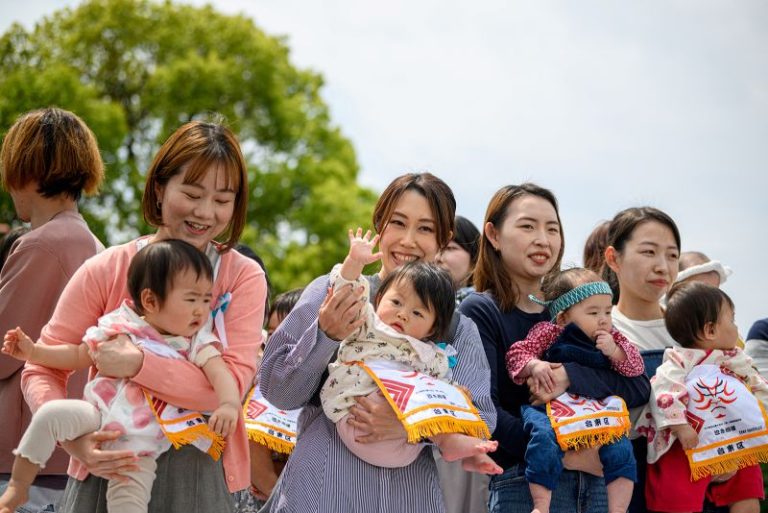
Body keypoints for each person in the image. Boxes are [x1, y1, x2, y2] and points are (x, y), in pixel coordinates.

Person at [20, 120, 267, 513]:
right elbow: (41, 367)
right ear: (159, 188)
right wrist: (75, 441)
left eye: (222, 200)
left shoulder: (242, 277)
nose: (205, 212)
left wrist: (137, 364)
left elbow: (229, 389)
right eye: (192, 194)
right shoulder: (107, 268)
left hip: (198, 473)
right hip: (107, 464)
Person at [259, 172, 496, 512]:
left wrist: (411, 424)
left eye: (425, 229)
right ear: (379, 225)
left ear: (444, 239)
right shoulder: (334, 291)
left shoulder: (456, 327)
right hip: (322, 490)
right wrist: (326, 335)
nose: (408, 240)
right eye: (397, 223)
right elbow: (277, 391)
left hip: (409, 497)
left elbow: (481, 420)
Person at [0, 239, 241, 513]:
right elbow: (79, 354)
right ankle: (18, 488)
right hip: (96, 416)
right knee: (49, 414)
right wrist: (34, 352)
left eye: (207, 299)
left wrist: (229, 404)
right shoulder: (123, 324)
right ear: (150, 300)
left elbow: (220, 373)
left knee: (127, 505)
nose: (201, 309)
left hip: (138, 445)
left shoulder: (195, 342)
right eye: (191, 299)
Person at [459, 184, 650, 513]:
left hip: (597, 483)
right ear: (493, 235)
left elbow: (637, 385)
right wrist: (563, 452)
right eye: (527, 226)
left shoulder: (578, 306)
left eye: (552, 229)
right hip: (523, 482)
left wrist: (569, 376)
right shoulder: (480, 310)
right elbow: (482, 410)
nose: (543, 240)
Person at [320, 228, 500, 473]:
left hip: (406, 443)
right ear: (379, 298)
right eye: (396, 302)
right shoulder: (367, 324)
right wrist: (354, 261)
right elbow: (346, 290)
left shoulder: (429, 354)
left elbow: (442, 390)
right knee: (419, 397)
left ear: (432, 328)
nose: (403, 314)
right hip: (357, 415)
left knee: (444, 400)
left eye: (417, 313)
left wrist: (458, 395)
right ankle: (454, 443)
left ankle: (459, 447)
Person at [0, 107, 105, 512]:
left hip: (25, 459)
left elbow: (4, 351)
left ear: (26, 169)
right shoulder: (92, 243)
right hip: (65, 452)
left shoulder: (44, 244)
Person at [506, 268, 643, 513]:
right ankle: (541, 505)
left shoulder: (614, 338)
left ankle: (619, 509)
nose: (603, 319)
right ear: (563, 318)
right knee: (542, 440)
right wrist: (535, 365)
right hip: (551, 409)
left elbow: (635, 368)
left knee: (621, 448)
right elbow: (517, 353)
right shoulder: (548, 332)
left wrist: (614, 351)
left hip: (598, 411)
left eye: (608, 312)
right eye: (593, 312)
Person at [636, 282, 766, 513]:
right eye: (732, 319)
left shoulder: (736, 360)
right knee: (678, 497)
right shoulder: (679, 360)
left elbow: (757, 385)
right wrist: (680, 426)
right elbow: (664, 392)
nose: (736, 327)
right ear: (710, 330)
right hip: (687, 441)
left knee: (747, 488)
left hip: (733, 437)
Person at [238, 288, 304, 513]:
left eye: (287, 334)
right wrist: (277, 494)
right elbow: (252, 445)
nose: (277, 343)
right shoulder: (255, 377)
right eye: (272, 333)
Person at [435, 215, 480, 305]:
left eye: (450, 248)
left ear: (475, 257)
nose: (437, 258)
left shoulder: (487, 306)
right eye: (435, 249)